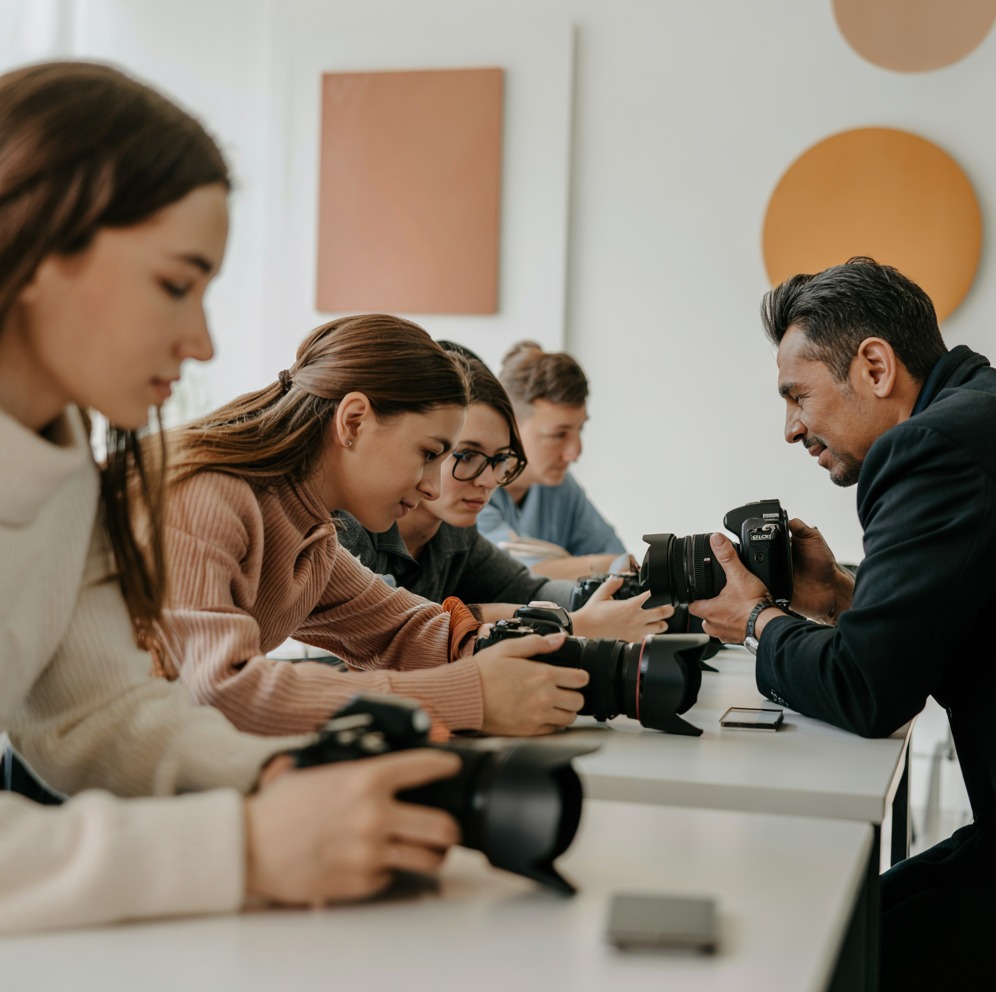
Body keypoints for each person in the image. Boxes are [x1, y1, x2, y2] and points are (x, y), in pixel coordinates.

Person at [0, 60, 468, 932]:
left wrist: (272, 782)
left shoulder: (69, 478)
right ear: (35, 243)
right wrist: (242, 847)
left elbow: (101, 715)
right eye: (177, 284)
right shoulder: (196, 493)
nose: (204, 341)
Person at [690, 257, 996, 992]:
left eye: (796, 396)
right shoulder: (993, 408)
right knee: (850, 926)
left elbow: (868, 689)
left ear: (875, 365)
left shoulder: (930, 448)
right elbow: (957, 619)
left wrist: (754, 622)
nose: (790, 429)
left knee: (823, 955)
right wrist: (838, 594)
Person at [159, 315, 585, 739]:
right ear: (354, 421)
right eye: (428, 453)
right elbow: (216, 693)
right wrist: (464, 695)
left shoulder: (312, 537)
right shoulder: (207, 498)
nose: (433, 487)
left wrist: (516, 652)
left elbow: (401, 632)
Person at [334, 344, 673, 642]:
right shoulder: (345, 528)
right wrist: (572, 624)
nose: (489, 481)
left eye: (500, 460)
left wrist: (620, 600)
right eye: (466, 456)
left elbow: (532, 590)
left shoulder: (456, 535)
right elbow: (400, 631)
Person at [476, 340, 628, 580]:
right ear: (510, 423)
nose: (575, 452)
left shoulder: (561, 488)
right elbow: (510, 574)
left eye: (580, 429)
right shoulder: (472, 487)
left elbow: (622, 562)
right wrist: (603, 565)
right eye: (558, 434)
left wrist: (600, 564)